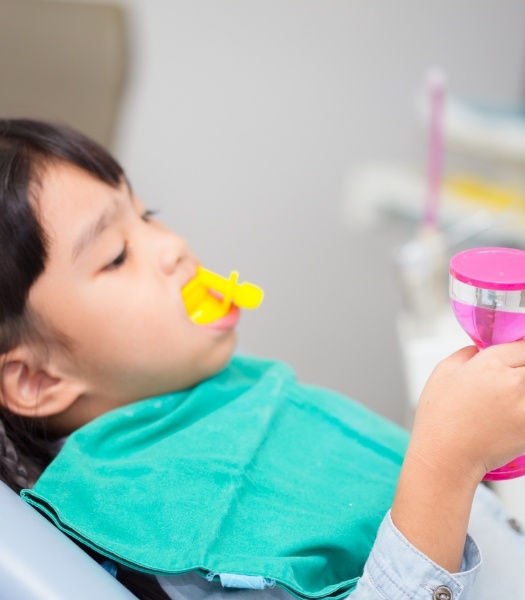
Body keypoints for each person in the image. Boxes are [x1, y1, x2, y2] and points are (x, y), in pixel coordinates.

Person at [1, 118, 525, 600]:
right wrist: (446, 462)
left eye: (147, 216)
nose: (174, 246)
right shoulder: (155, 520)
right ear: (36, 379)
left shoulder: (204, 388)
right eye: (116, 254)